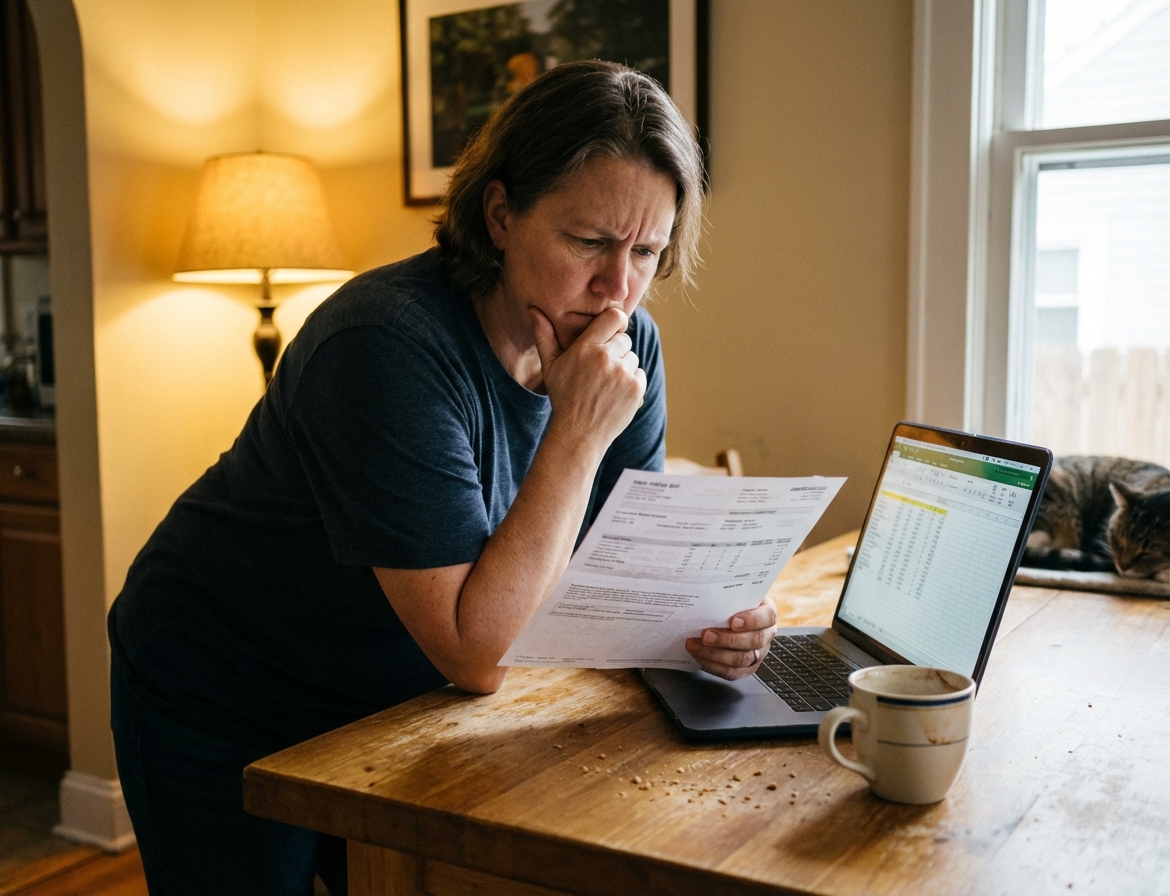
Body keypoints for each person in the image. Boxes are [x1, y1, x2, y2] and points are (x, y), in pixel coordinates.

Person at [108, 60, 778, 896]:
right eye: (589, 242)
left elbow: (616, 579)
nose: (619, 287)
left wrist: (710, 619)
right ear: (500, 215)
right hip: (224, 683)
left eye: (646, 250)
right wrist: (574, 433)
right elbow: (479, 652)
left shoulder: (626, 345)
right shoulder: (383, 347)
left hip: (395, 690)